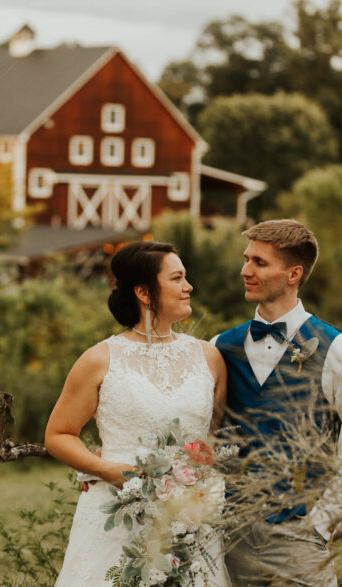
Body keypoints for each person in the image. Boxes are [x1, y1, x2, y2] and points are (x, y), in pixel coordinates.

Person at [212, 219, 342, 586]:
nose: (245, 271)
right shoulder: (218, 347)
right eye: (246, 260)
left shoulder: (341, 351)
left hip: (299, 538)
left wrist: (319, 527)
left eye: (259, 263)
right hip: (228, 539)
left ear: (293, 274)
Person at [46, 240, 229, 586]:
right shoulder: (99, 360)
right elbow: (58, 435)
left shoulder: (209, 358)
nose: (188, 287)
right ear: (144, 292)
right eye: (177, 279)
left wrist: (197, 488)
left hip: (187, 521)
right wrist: (103, 468)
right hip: (117, 520)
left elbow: (215, 437)